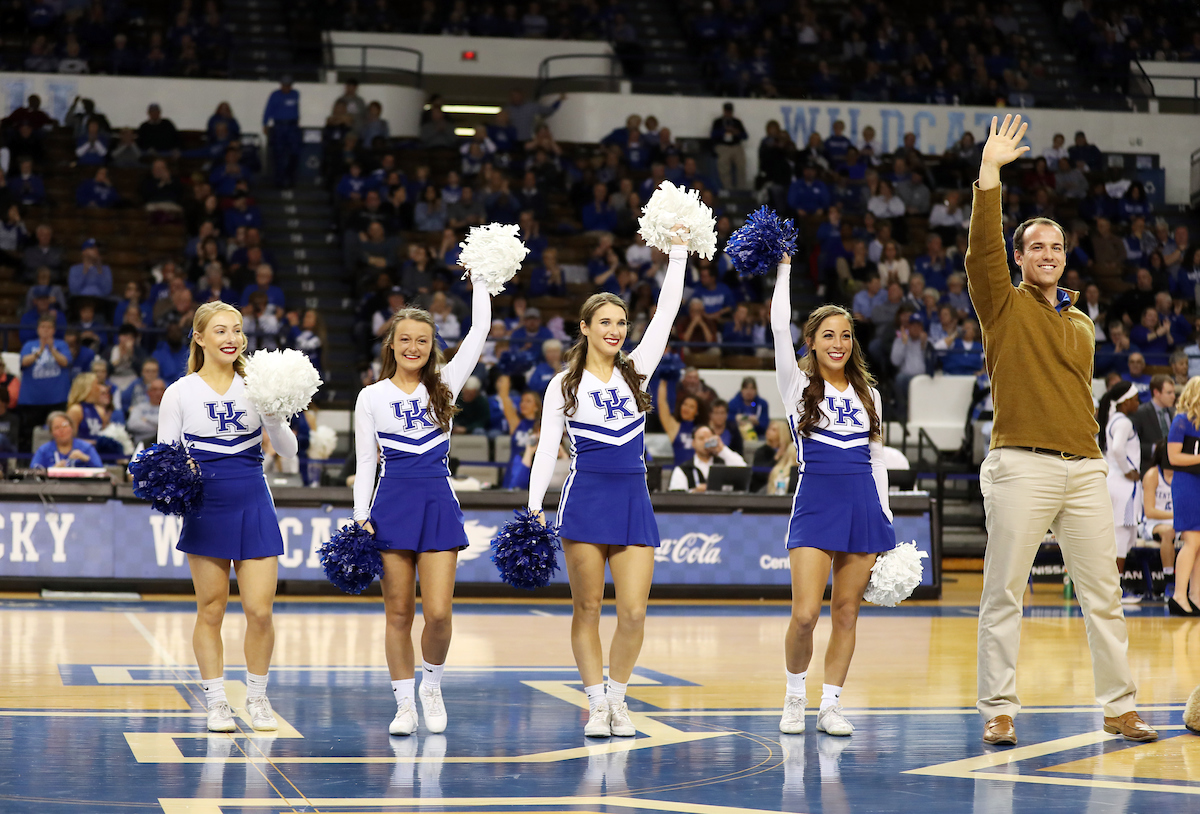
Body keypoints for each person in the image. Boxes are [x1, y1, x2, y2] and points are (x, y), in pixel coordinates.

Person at [968, 114, 1156, 745]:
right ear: (1019, 259)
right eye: (1035, 248)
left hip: (1084, 467)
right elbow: (982, 253)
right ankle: (998, 708)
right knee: (1005, 594)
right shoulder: (1002, 303)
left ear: (1064, 258)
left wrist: (1096, 463)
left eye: (1056, 248)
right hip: (1020, 464)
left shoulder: (1081, 320)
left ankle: (1119, 706)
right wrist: (989, 178)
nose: (1047, 255)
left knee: (1103, 596)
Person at [526, 225, 689, 738]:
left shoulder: (637, 370)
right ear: (585, 328)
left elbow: (665, 314)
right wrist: (533, 508)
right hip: (584, 498)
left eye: (621, 322)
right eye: (606, 323)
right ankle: (595, 703)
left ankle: (619, 699)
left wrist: (679, 253)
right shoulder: (563, 384)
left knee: (635, 612)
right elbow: (545, 451)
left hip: (632, 499)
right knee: (588, 607)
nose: (616, 330)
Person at [351, 271, 492, 736]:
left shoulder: (445, 385)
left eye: (423, 340)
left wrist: (483, 283)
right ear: (391, 344)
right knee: (398, 613)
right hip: (391, 507)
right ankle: (404, 704)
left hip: (436, 504)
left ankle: (431, 685)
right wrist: (360, 517)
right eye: (405, 339)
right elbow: (366, 462)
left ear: (433, 346)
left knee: (438, 613)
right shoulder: (371, 397)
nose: (414, 347)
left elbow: (479, 333)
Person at [156, 301, 298, 733]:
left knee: (259, 611)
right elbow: (164, 463)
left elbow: (290, 454)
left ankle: (256, 698)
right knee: (211, 608)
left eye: (237, 330)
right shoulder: (179, 392)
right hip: (206, 507)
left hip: (253, 501)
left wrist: (274, 418)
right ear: (199, 338)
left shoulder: (259, 384)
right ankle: (216, 702)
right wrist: (180, 476)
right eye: (220, 331)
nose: (232, 338)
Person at [771, 247, 895, 737]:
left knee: (846, 612)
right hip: (816, 502)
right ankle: (794, 696)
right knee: (805, 615)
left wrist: (885, 516)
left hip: (863, 506)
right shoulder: (796, 385)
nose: (839, 343)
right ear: (813, 342)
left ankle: (831, 705)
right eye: (829, 335)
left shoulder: (870, 392)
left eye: (845, 335)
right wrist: (784, 270)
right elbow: (779, 329)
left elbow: (877, 459)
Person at [1098, 381, 1143, 591]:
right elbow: (1117, 449)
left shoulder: (1112, 419)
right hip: (1123, 486)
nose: (1138, 402)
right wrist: (1127, 470)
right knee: (1122, 538)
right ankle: (1116, 589)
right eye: (1135, 399)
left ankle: (1111, 587)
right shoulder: (1123, 421)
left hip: (1112, 481)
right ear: (1125, 402)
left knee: (1120, 536)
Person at [1166, 377, 1200, 616]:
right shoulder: (1181, 421)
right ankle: (1179, 595)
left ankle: (1196, 596)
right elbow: (1173, 457)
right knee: (1192, 541)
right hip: (1186, 485)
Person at [18, 314, 73, 451]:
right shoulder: (29, 345)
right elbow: (23, 362)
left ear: (54, 330)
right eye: (43, 327)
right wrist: (40, 351)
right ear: (38, 329)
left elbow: (65, 362)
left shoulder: (61, 345)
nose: (46, 330)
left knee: (58, 432)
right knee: (27, 436)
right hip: (31, 400)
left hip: (56, 399)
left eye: (49, 327)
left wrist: (52, 349)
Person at [1139, 444, 1176, 597]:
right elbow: (1150, 511)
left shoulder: (1182, 475)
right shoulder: (1153, 475)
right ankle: (1168, 580)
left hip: (1176, 521)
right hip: (1152, 524)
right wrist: (1175, 516)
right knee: (1168, 532)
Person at [667, 424, 746, 491]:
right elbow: (676, 496)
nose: (705, 441)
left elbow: (743, 470)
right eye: (701, 438)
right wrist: (695, 492)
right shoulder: (683, 469)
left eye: (709, 438)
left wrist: (721, 449)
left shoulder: (723, 463)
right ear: (693, 443)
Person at [496, 374, 540, 490]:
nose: (523, 404)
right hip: (514, 470)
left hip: (533, 472)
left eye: (528, 401)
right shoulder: (516, 423)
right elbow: (504, 398)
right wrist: (505, 377)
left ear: (536, 407)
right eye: (522, 401)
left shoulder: (542, 427)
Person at [1131, 375, 1175, 473]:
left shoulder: (1175, 413)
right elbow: (1132, 444)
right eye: (1169, 393)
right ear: (1156, 392)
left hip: (1172, 469)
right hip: (1149, 468)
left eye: (1173, 392)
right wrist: (1154, 449)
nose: (1173, 396)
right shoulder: (1140, 413)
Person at [263, 75, 300, 188]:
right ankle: (279, 180)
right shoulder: (275, 95)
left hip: (292, 126)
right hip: (279, 126)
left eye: (288, 85)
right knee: (278, 154)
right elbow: (268, 109)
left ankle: (290, 178)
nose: (286, 88)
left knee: (294, 153)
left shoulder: (295, 94)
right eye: (284, 85)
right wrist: (265, 124)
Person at [30, 411, 102, 469]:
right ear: (51, 432)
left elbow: (101, 470)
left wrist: (85, 458)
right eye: (57, 428)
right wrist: (52, 470)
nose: (62, 430)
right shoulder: (44, 450)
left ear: (72, 427)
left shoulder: (86, 448)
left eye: (65, 426)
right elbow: (33, 472)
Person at [657, 386, 706, 466]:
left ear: (697, 412)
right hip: (679, 473)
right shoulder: (674, 427)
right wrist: (664, 381)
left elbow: (713, 445)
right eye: (685, 404)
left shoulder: (704, 430)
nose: (686, 408)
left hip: (699, 472)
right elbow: (662, 403)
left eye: (691, 407)